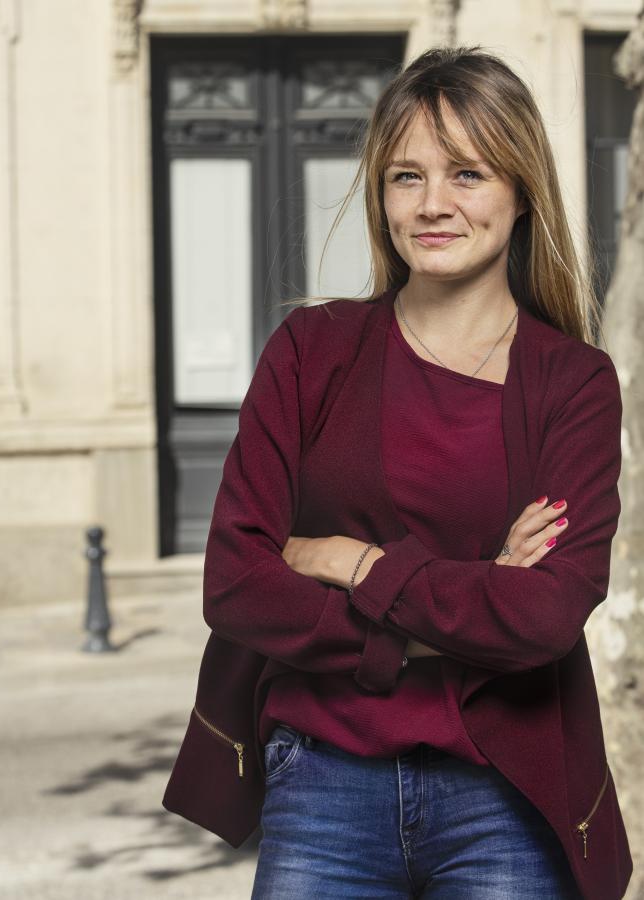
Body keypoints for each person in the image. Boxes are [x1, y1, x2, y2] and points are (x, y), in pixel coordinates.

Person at [162, 46, 633, 899]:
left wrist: (351, 562)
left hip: (505, 789)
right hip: (322, 780)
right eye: (406, 177)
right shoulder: (311, 352)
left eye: (467, 173)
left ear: (521, 191)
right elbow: (236, 586)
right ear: (381, 195)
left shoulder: (575, 384)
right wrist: (472, 594)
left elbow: (546, 617)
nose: (433, 205)